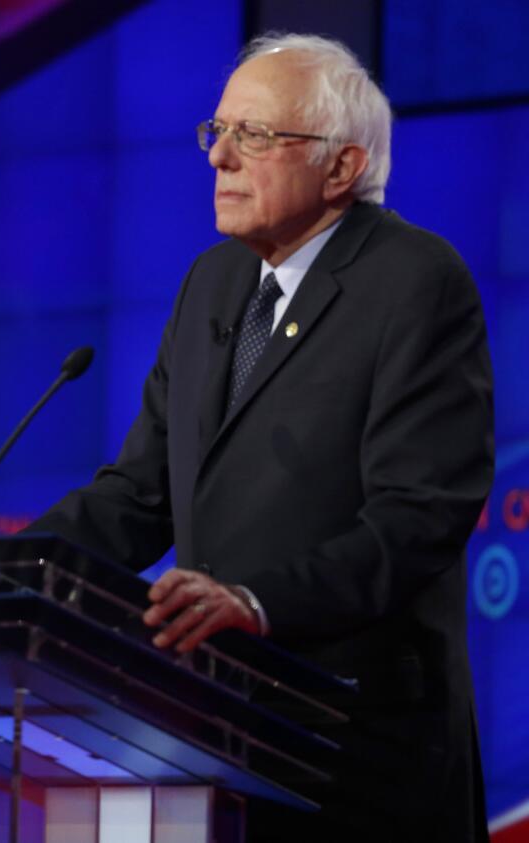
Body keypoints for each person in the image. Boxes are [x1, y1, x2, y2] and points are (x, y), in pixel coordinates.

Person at [28, 33, 493, 843]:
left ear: (342, 168)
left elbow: (416, 518)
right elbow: (139, 497)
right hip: (211, 736)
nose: (220, 160)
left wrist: (255, 601)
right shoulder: (214, 281)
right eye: (218, 132)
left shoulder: (415, 281)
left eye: (255, 136)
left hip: (358, 749)